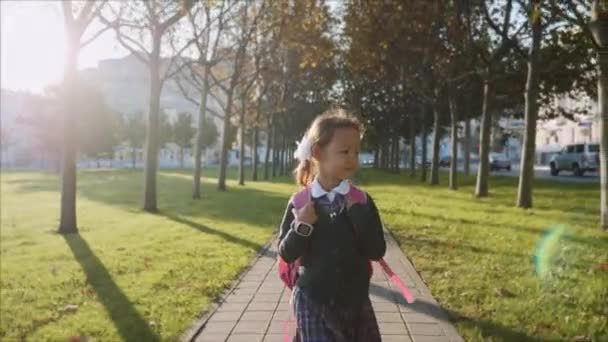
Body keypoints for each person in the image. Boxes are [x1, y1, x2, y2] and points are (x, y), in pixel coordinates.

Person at [277, 108, 386, 342]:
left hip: (355, 304)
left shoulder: (362, 201)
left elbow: (376, 251)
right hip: (312, 300)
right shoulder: (300, 202)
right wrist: (302, 226)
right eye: (344, 151)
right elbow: (286, 253)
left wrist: (357, 214)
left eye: (356, 152)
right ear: (318, 152)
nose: (352, 159)